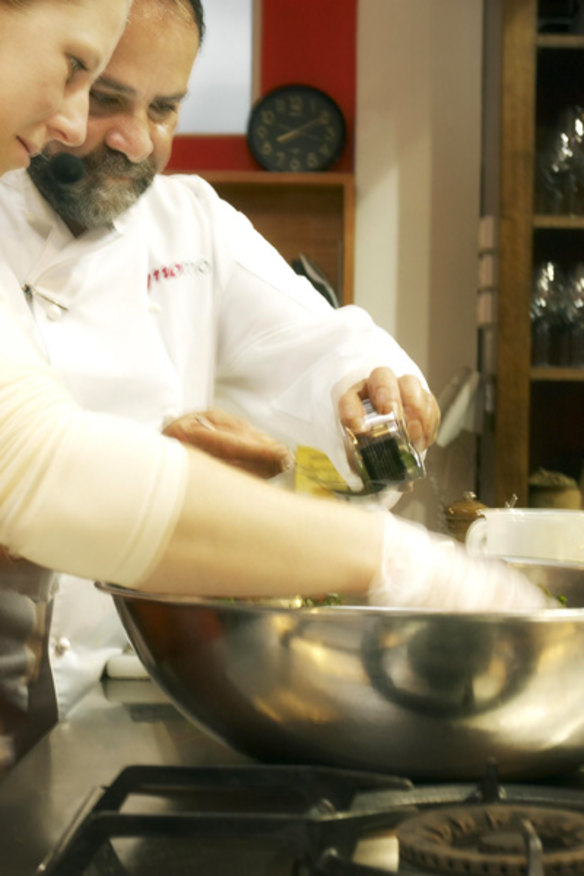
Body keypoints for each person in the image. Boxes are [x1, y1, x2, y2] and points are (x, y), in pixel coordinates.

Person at [0, 0, 552, 772]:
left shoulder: (189, 222)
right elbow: (39, 464)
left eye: (164, 109)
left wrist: (366, 399)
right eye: (99, 95)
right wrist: (398, 561)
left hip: (128, 670)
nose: (132, 139)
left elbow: (323, 346)